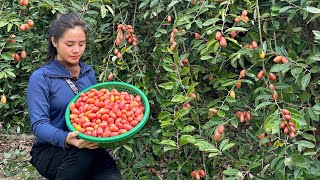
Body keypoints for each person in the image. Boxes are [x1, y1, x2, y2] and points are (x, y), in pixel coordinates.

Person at [27, 12, 122, 180]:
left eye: (81, 44)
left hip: (87, 146)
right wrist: (67, 138)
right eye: (69, 44)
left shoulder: (88, 72)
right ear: (54, 42)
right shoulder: (41, 78)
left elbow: (98, 111)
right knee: (81, 158)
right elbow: (39, 125)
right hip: (51, 149)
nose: (76, 50)